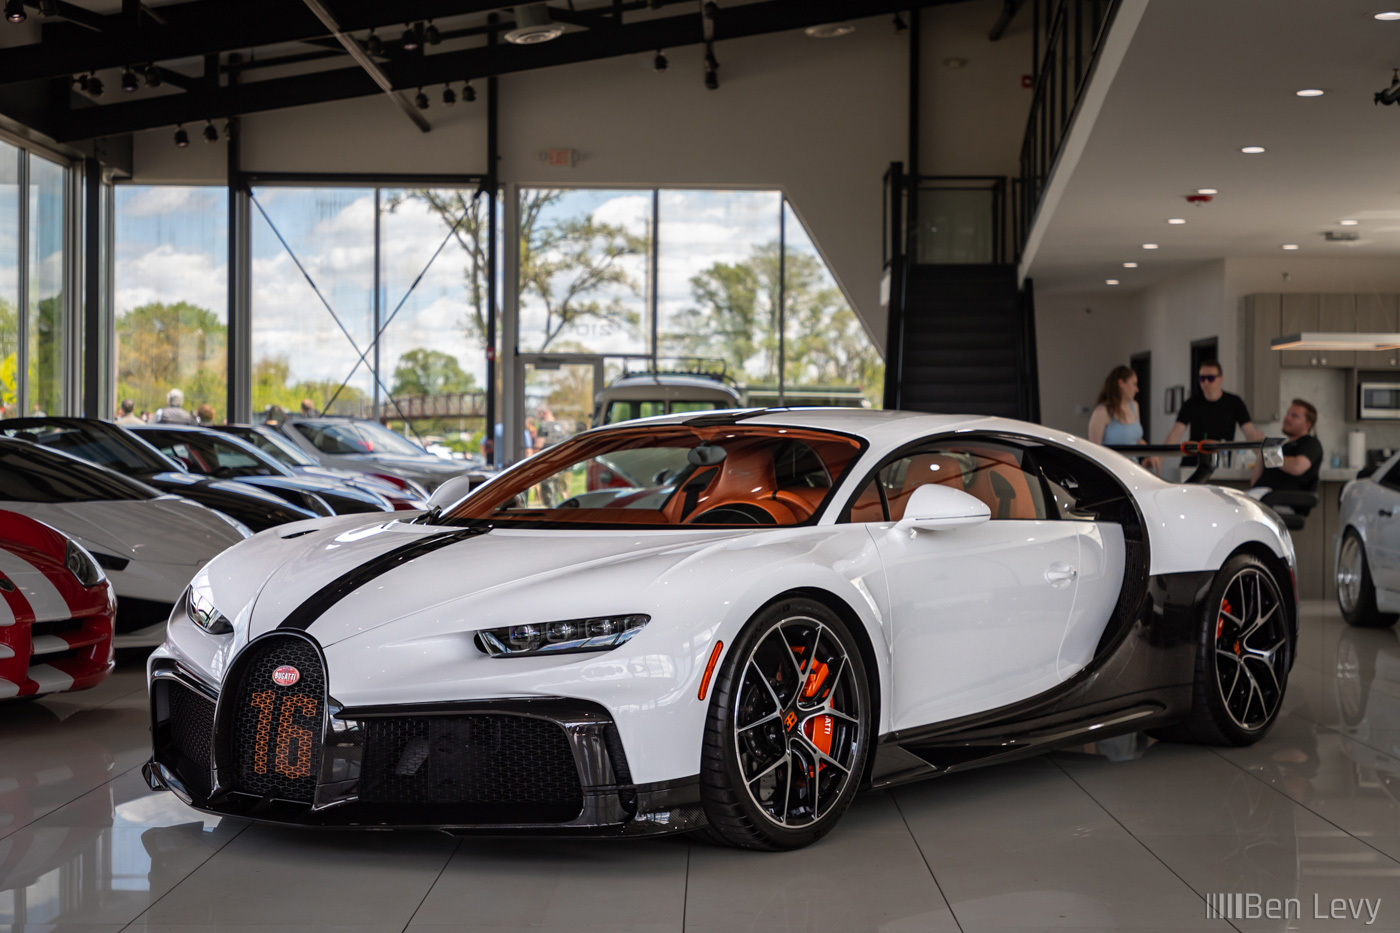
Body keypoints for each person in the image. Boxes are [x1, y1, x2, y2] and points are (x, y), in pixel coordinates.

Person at [1164, 361, 1264, 464]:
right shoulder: (1191, 404)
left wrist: (1260, 451)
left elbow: (1249, 432)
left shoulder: (1234, 402)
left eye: (1210, 378)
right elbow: (1175, 433)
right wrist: (1159, 457)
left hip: (1222, 462)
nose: (1205, 383)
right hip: (1194, 462)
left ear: (1221, 379)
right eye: (1202, 379)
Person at [1087, 365, 1160, 471]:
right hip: (1112, 470)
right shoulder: (1102, 412)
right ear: (1121, 383)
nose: (1137, 389)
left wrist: (1151, 453)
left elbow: (1136, 438)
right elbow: (1093, 450)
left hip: (1133, 469)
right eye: (1134, 384)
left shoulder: (1134, 406)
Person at [1250, 398, 1322, 493]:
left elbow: (1297, 467)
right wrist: (1261, 451)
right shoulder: (1284, 447)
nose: (1287, 418)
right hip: (1261, 496)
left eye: (1294, 416)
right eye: (1288, 414)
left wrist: (1268, 453)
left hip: (1280, 500)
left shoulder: (1311, 443)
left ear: (1307, 425)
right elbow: (1254, 483)